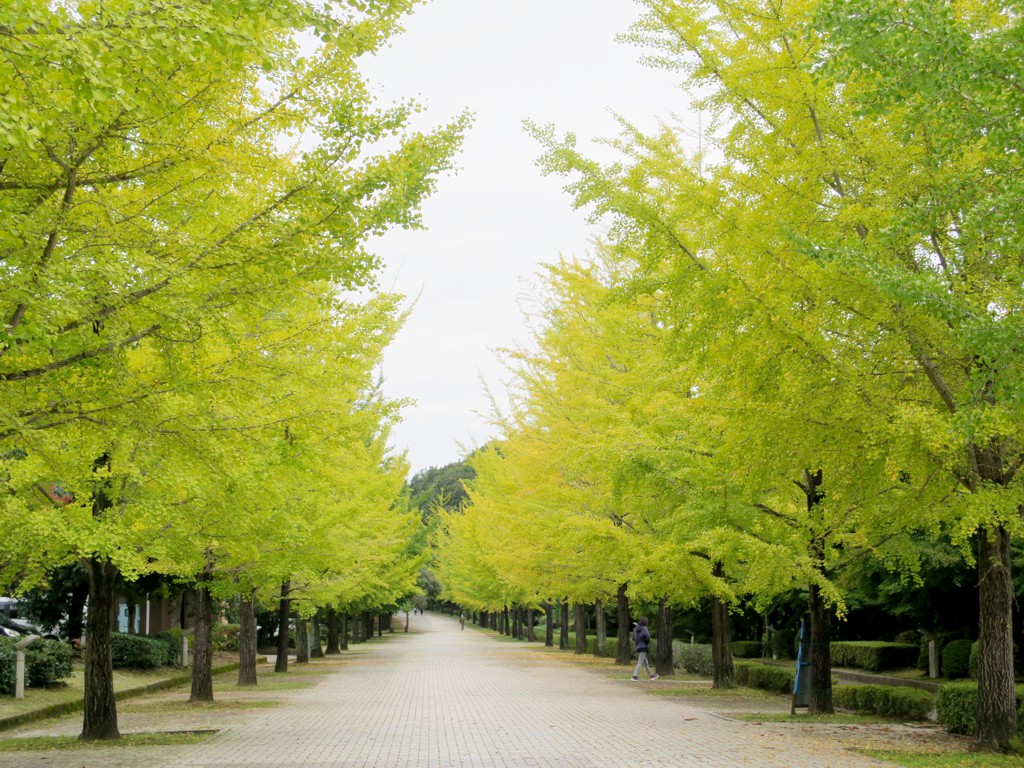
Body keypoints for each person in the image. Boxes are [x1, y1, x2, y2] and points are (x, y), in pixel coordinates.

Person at [631, 617, 658, 681]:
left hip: (638, 646)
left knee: (646, 662)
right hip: (643, 646)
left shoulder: (636, 629)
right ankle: (634, 676)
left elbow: (633, 638)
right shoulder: (644, 628)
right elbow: (648, 637)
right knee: (640, 662)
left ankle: (651, 675)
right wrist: (646, 642)